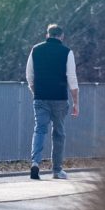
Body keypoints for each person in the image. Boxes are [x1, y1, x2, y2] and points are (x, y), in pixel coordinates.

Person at [26, 24, 79, 180]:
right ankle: (57, 170)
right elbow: (72, 78)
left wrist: (36, 92)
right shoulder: (67, 52)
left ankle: (35, 162)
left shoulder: (36, 49)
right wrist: (76, 102)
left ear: (47, 35)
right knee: (58, 133)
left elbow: (29, 75)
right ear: (62, 36)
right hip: (60, 99)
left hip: (41, 97)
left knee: (39, 130)